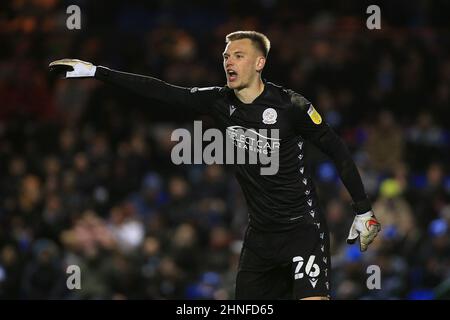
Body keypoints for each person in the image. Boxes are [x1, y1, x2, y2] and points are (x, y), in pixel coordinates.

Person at [49, 31, 381, 300]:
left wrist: (363, 210)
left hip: (301, 230)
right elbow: (160, 91)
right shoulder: (219, 101)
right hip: (259, 237)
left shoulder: (291, 106)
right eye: (226, 56)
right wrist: (96, 71)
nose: (229, 61)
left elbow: (338, 150)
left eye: (238, 55)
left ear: (260, 63)